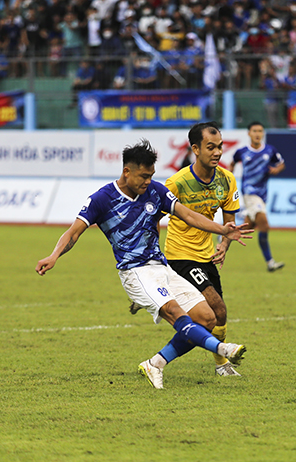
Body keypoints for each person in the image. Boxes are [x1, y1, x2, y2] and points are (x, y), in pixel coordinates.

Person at [35, 140, 252, 389]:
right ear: (127, 171)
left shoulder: (155, 192)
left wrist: (222, 229)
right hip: (134, 272)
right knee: (175, 313)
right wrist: (54, 256)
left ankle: (155, 364)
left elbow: (189, 215)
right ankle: (223, 348)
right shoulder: (102, 199)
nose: (147, 181)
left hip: (161, 267)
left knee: (206, 318)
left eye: (151, 176)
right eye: (143, 176)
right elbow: (73, 233)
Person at [161, 122, 242, 377]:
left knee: (218, 313)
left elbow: (229, 224)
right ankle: (222, 364)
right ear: (195, 149)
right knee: (215, 309)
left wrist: (225, 245)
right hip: (179, 256)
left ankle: (216, 362)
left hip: (206, 255)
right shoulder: (177, 183)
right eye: (211, 147)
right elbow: (151, 218)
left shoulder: (227, 180)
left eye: (219, 147)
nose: (217, 152)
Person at [230, 121, 285, 272]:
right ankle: (270, 262)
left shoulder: (270, 150)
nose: (257, 134)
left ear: (263, 134)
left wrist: (276, 170)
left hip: (263, 194)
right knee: (265, 225)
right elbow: (232, 163)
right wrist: (229, 178)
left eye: (260, 131)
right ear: (249, 133)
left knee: (246, 228)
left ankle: (223, 234)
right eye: (254, 131)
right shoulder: (242, 152)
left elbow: (281, 163)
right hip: (249, 192)